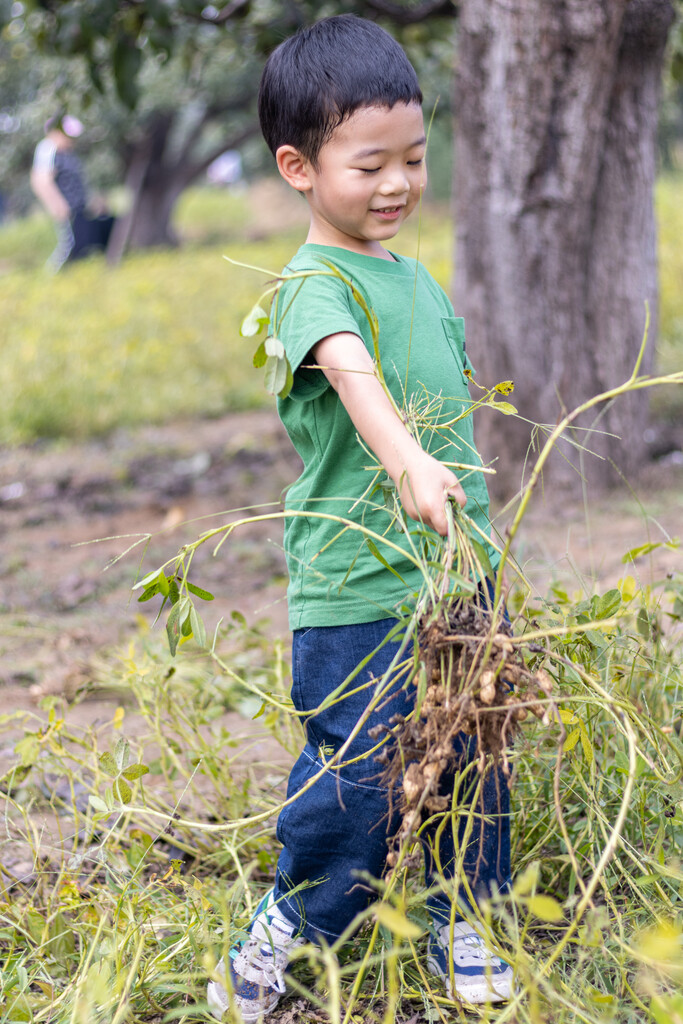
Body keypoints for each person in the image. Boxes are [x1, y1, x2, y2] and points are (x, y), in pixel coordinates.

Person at [207, 15, 513, 1021]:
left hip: (452, 574)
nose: (396, 185)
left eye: (415, 159)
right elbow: (352, 371)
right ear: (297, 167)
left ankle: (461, 914)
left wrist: (459, 502)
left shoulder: (415, 276)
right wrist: (408, 459)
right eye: (368, 164)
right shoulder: (312, 284)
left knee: (473, 756)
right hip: (357, 583)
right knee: (356, 779)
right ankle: (293, 924)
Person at [30, 114, 114, 271]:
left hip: (79, 207)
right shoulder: (48, 148)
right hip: (67, 209)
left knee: (82, 244)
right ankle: (52, 275)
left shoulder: (68, 152)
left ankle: (75, 276)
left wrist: (94, 200)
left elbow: (79, 181)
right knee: (69, 244)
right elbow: (41, 181)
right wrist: (57, 205)